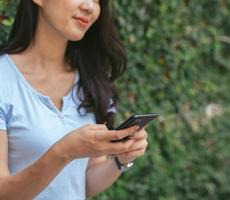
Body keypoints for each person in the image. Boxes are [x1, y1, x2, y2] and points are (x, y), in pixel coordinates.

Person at [0, 0, 148, 199]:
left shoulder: (92, 83)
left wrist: (121, 158)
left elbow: (83, 183)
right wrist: (65, 152)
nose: (90, 7)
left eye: (97, 0)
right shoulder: (4, 79)